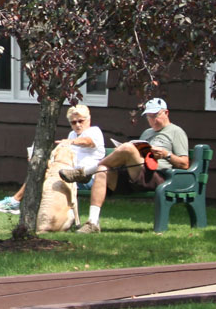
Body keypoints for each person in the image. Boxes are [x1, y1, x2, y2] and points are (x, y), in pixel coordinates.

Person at [59, 97, 189, 233]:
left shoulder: (176, 132)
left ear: (166, 113)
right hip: (134, 173)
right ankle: (92, 222)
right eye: (149, 117)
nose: (152, 120)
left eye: (155, 115)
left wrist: (166, 154)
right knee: (102, 170)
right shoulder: (147, 133)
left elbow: (184, 164)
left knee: (128, 148)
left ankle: (85, 173)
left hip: (155, 175)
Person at [0, 105, 105, 215]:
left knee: (43, 175)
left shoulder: (94, 131)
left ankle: (15, 202)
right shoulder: (72, 134)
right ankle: (26, 209)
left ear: (88, 119)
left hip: (87, 177)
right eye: (73, 122)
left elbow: (88, 142)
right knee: (40, 170)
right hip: (68, 174)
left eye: (81, 121)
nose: (78, 125)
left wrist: (71, 142)